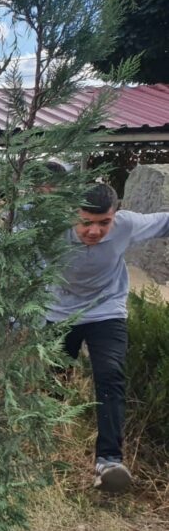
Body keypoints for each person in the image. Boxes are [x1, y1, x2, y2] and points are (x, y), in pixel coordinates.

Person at [49, 183, 169, 492]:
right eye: (86, 222)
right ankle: (46, 444)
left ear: (114, 215)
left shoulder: (126, 223)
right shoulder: (50, 226)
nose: (94, 231)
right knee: (54, 378)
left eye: (104, 223)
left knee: (110, 375)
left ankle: (109, 461)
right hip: (60, 311)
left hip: (107, 309)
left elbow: (165, 221)